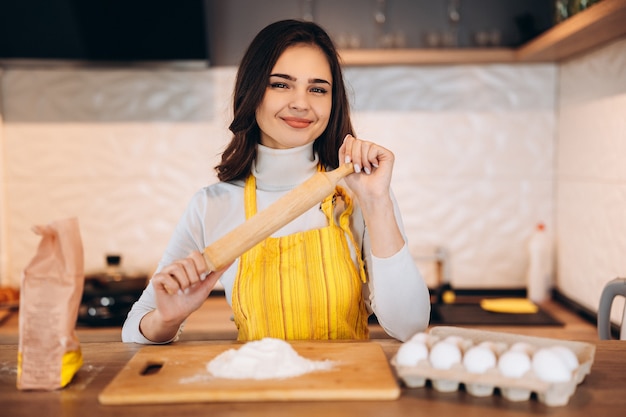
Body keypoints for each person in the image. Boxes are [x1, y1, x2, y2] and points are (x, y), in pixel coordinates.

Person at [122, 19, 430, 344]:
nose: (301, 103)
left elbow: (410, 326)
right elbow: (134, 329)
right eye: (281, 84)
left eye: (318, 89)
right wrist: (167, 319)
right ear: (252, 92)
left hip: (346, 389)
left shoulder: (362, 192)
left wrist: (377, 203)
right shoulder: (213, 205)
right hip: (256, 390)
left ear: (332, 100)